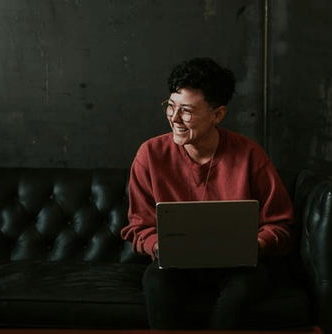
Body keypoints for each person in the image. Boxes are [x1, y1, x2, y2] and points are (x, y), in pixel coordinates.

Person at [120, 57, 294, 329]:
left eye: (186, 111)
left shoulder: (250, 155)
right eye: (171, 106)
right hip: (175, 269)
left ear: (218, 115)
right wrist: (157, 246)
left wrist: (254, 246)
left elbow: (279, 224)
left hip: (238, 268)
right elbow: (139, 226)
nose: (175, 119)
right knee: (155, 280)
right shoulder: (150, 155)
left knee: (246, 285)